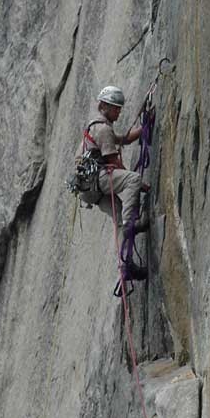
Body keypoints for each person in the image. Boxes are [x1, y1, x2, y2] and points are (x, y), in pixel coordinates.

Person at [75, 86, 150, 280]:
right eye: (116, 108)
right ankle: (130, 223)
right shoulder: (103, 129)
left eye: (119, 108)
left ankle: (125, 266)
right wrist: (139, 185)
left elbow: (123, 140)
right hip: (97, 180)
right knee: (133, 179)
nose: (118, 112)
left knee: (117, 216)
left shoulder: (96, 127)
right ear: (105, 106)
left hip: (88, 189)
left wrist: (143, 129)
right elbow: (113, 161)